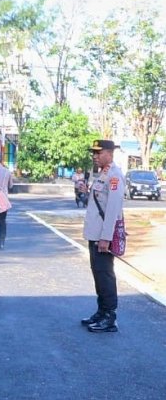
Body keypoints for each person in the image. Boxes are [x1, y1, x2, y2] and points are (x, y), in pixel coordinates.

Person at [81, 139, 124, 333]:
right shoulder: (103, 174)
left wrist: (106, 237)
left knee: (105, 274)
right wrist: (86, 191)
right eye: (94, 153)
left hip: (103, 236)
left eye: (99, 153)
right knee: (98, 273)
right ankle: (101, 311)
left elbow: (113, 209)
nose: (95, 156)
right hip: (95, 233)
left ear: (109, 153)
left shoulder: (114, 176)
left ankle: (110, 317)